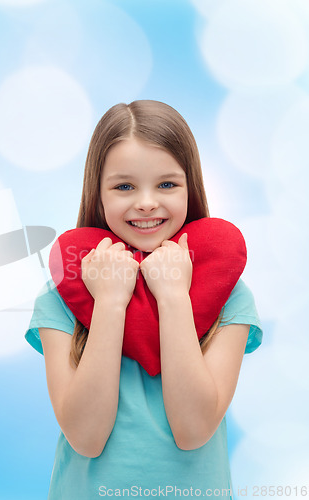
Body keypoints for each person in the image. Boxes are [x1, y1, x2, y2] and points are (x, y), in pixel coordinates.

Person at [25, 100, 262, 499]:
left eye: (167, 184)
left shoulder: (229, 294)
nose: (147, 202)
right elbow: (85, 438)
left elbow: (193, 430)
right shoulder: (61, 297)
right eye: (124, 186)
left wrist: (172, 296)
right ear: (97, 194)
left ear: (191, 187)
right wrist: (111, 303)